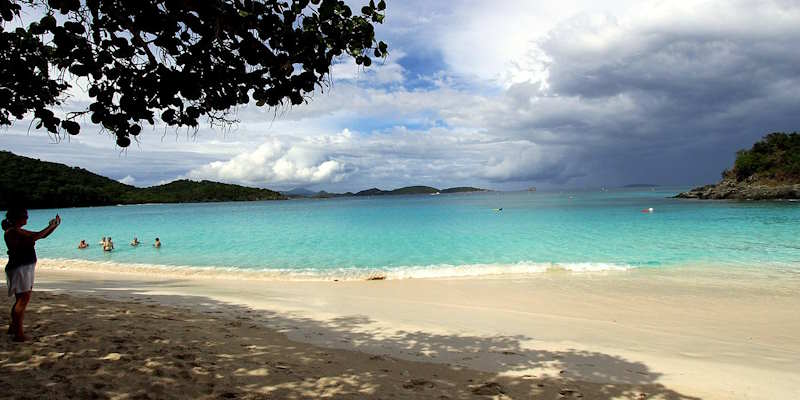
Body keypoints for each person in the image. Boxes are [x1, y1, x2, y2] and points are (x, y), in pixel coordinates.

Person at [3, 207, 60, 342]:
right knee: (23, 300)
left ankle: (14, 327)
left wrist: (54, 226)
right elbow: (37, 236)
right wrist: (50, 225)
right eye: (26, 216)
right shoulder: (12, 232)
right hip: (20, 268)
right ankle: (19, 334)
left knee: (20, 300)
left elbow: (42, 235)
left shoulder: (17, 231)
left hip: (22, 268)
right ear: (18, 218)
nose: (27, 218)